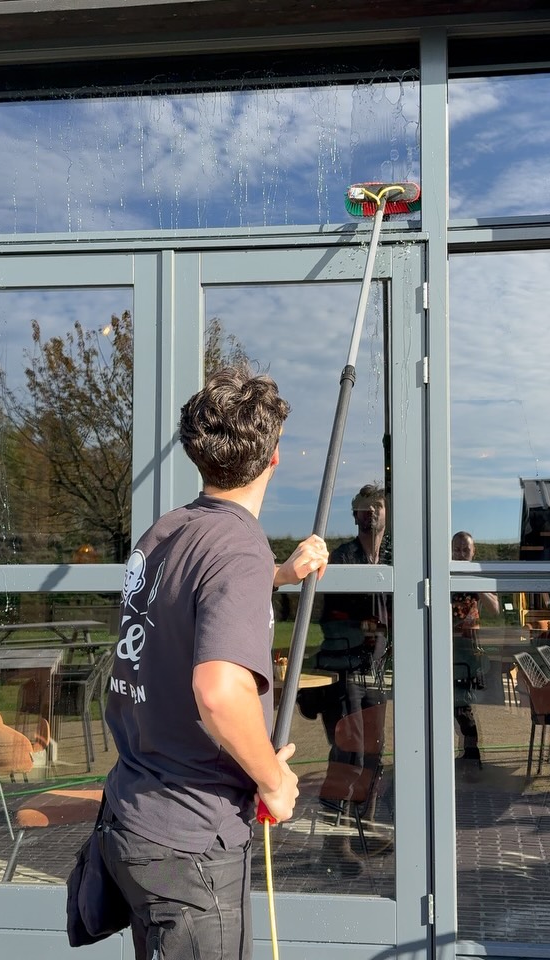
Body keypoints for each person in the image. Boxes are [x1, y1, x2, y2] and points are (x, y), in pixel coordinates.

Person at [99, 366, 329, 960]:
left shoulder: (166, 532)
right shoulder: (238, 547)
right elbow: (220, 692)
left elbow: (190, 604)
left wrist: (279, 574)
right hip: (191, 843)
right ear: (274, 457)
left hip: (134, 819)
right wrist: (273, 780)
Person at [307, 483, 392, 873]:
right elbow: (324, 616)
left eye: (378, 506)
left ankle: (364, 831)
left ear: (387, 513)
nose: (371, 511)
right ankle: (335, 843)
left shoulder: (392, 557)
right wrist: (360, 628)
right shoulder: (342, 558)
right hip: (343, 667)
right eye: (363, 506)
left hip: (378, 669)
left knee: (373, 752)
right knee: (349, 753)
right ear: (354, 514)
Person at [451, 531, 499, 772]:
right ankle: (466, 753)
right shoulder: (443, 573)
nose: (461, 554)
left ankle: (472, 753)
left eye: (465, 550)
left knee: (463, 704)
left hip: (468, 650)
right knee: (447, 703)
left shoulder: (478, 576)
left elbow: (495, 609)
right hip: (445, 645)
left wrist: (476, 586)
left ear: (473, 552)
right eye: (457, 550)